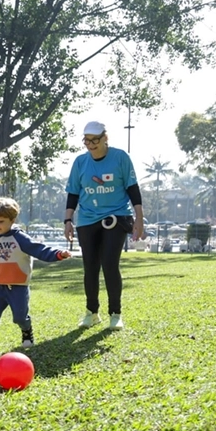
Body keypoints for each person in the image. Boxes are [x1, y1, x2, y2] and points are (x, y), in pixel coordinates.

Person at [65, 121, 145, 330]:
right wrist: (68, 220)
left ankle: (115, 313)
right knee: (90, 267)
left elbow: (132, 188)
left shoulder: (120, 158)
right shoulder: (80, 162)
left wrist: (139, 218)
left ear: (105, 138)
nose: (90, 145)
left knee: (110, 264)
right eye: (86, 141)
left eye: (94, 140)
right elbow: (73, 193)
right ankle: (92, 312)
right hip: (87, 219)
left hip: (116, 216)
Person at [0, 198, 71, 360]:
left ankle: (26, 331)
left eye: (1, 221)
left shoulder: (20, 238)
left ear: (12, 220)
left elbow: (40, 250)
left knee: (20, 317)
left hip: (18, 287)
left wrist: (58, 254)